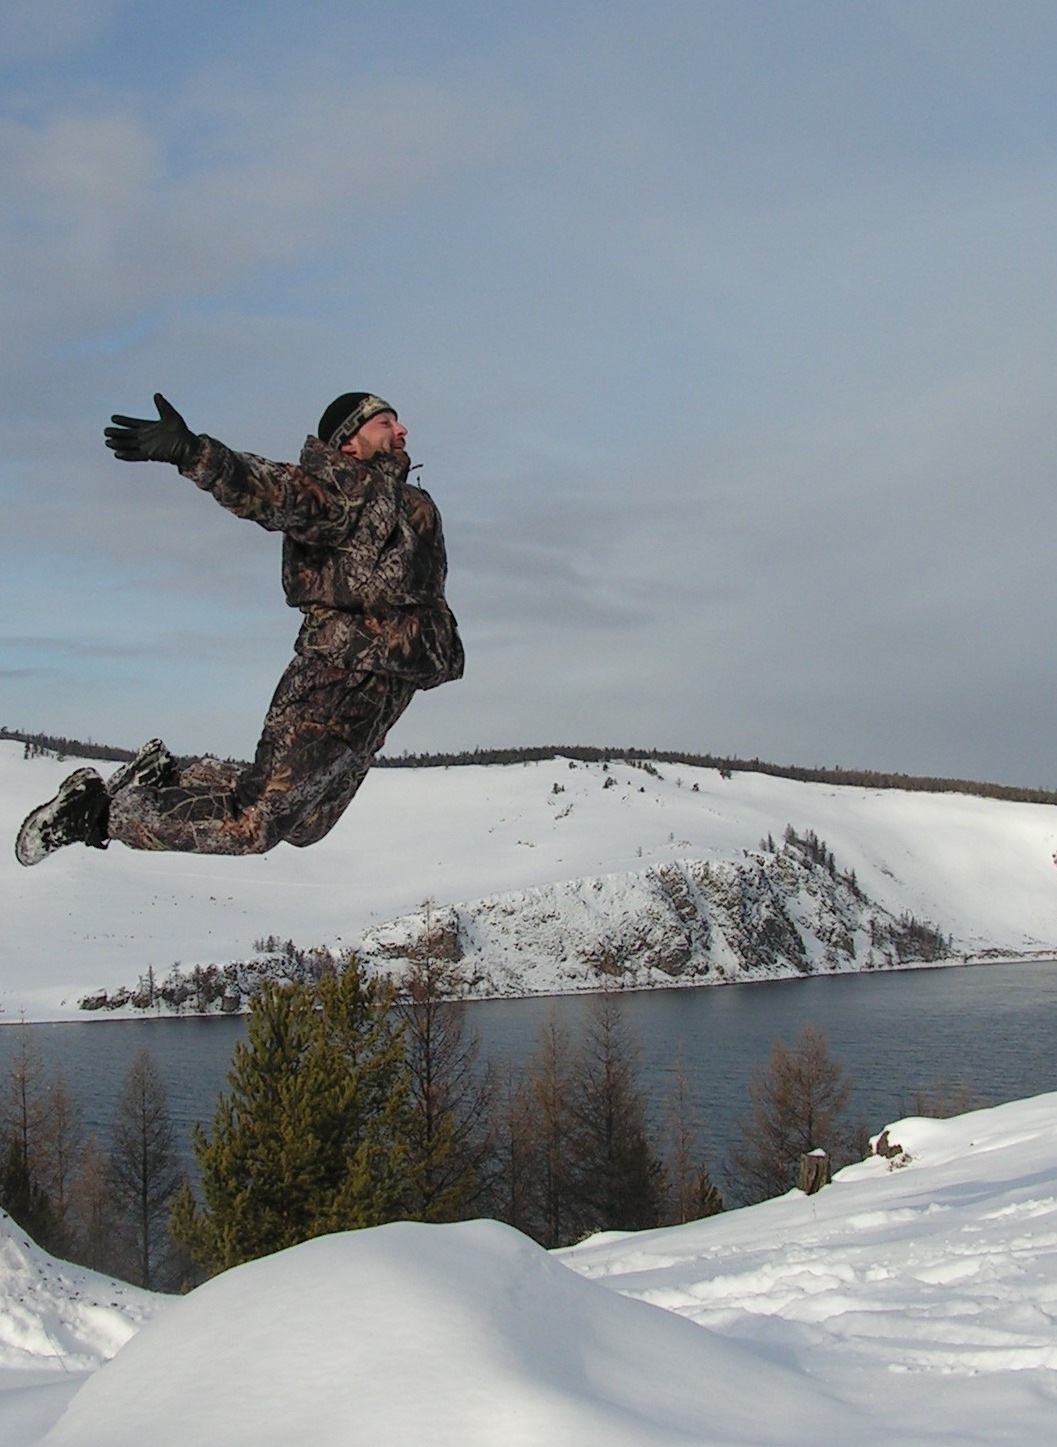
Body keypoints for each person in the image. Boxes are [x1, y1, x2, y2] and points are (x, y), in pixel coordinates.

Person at [15, 391, 463, 866]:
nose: (401, 430)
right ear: (348, 444)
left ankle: (172, 777)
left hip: (391, 686)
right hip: (338, 677)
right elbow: (271, 491)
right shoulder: (339, 490)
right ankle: (96, 812)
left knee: (307, 823)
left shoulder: (412, 504)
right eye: (385, 423)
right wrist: (193, 453)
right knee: (253, 825)